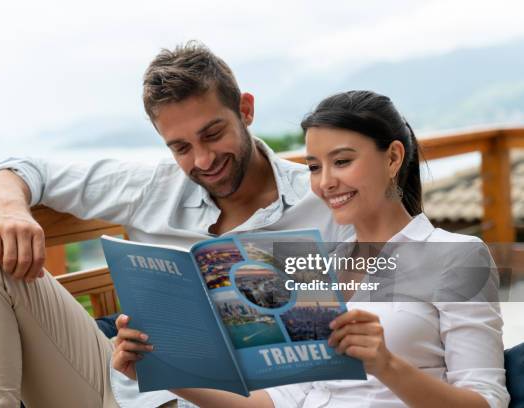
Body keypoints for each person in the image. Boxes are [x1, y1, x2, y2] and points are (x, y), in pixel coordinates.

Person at [0, 42, 351, 408]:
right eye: (181, 147)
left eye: (213, 134)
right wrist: (9, 209)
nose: (203, 160)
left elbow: (389, 303)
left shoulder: (324, 201)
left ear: (245, 109)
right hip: (122, 392)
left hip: (258, 402)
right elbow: (20, 169)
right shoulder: (153, 186)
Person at [113, 90, 510, 407]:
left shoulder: (456, 256)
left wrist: (386, 365)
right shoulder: (314, 265)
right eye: (315, 166)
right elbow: (283, 399)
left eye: (342, 161)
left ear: (392, 157)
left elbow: (486, 400)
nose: (324, 183)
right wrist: (163, 369)